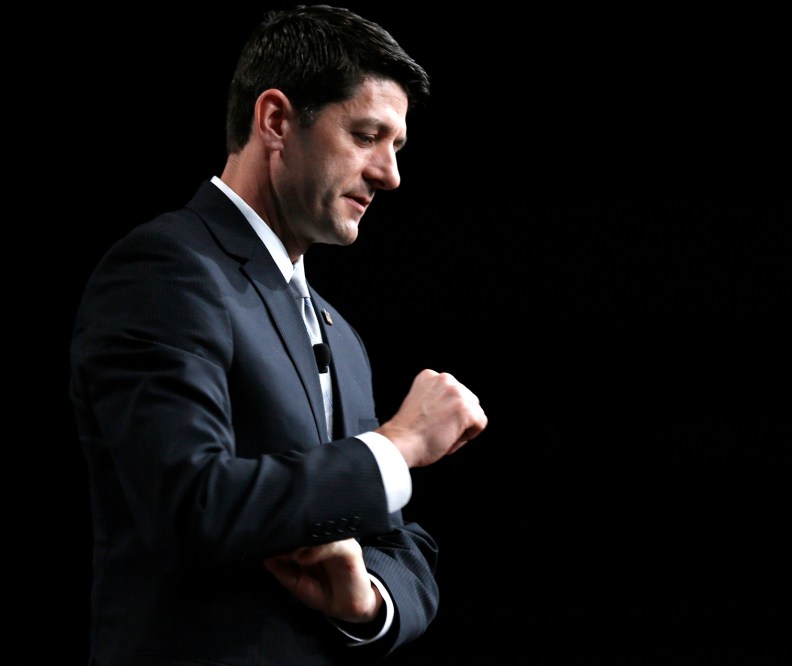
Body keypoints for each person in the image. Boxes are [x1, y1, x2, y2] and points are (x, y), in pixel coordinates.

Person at [68, 5, 487, 664]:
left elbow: (402, 545)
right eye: (367, 135)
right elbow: (190, 502)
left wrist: (368, 602)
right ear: (276, 121)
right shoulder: (165, 269)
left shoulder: (340, 335)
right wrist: (397, 444)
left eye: (397, 147)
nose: (390, 174)